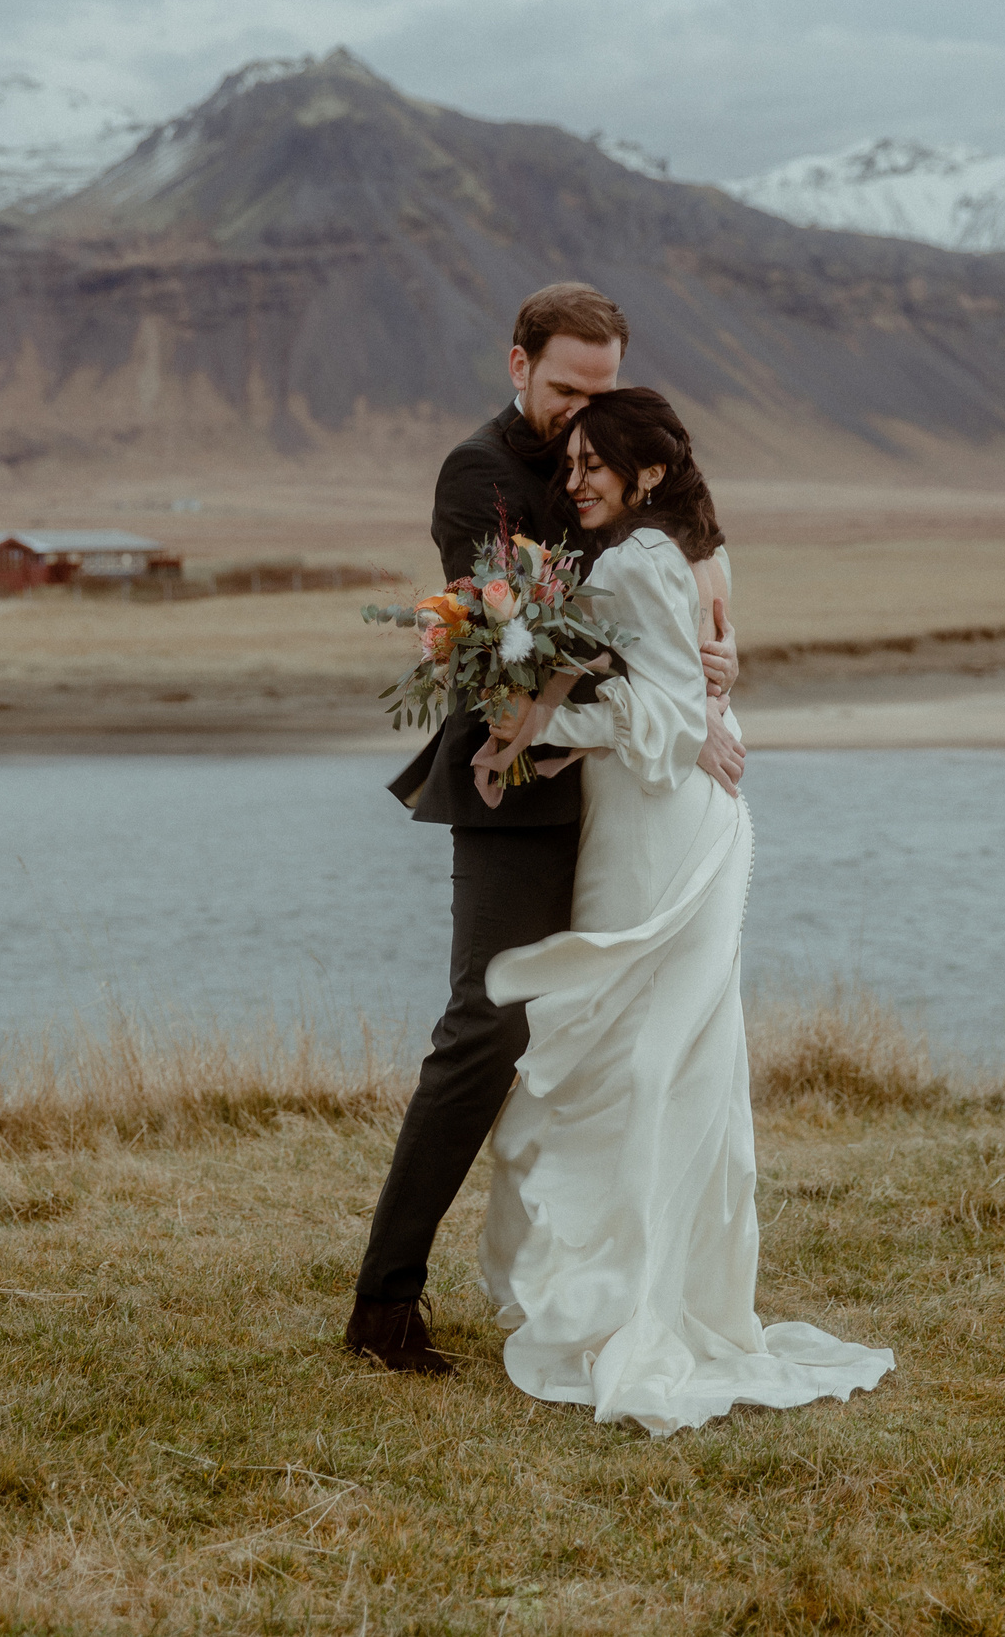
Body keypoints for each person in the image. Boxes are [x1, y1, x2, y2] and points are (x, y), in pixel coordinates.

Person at [469, 388, 895, 1434]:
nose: (575, 482)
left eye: (591, 464)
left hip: (657, 830)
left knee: (634, 1054)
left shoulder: (632, 561)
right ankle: (667, 1290)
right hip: (688, 816)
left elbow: (660, 716)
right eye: (566, 465)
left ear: (645, 472)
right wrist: (574, 720)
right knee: (673, 1054)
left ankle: (626, 1304)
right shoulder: (692, 550)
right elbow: (689, 691)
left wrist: (527, 723)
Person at [346, 285, 744, 1373]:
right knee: (489, 1029)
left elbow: (680, 550)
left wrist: (716, 661)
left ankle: (602, 1288)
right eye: (565, 388)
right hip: (517, 785)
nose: (580, 417)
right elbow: (519, 641)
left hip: (624, 792)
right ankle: (383, 1302)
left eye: (600, 394)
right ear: (515, 364)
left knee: (617, 1040)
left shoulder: (620, 454)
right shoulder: (477, 473)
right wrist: (667, 687)